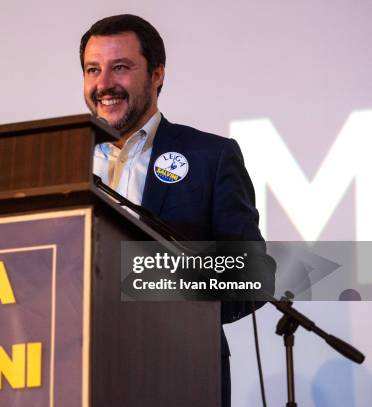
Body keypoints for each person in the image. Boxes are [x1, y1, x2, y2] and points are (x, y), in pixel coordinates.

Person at [81, 14, 271, 407]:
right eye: (92, 70)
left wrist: (141, 277)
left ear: (157, 75)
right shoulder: (62, 163)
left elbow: (253, 273)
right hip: (74, 370)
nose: (104, 85)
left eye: (120, 68)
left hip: (178, 373)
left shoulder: (209, 157)